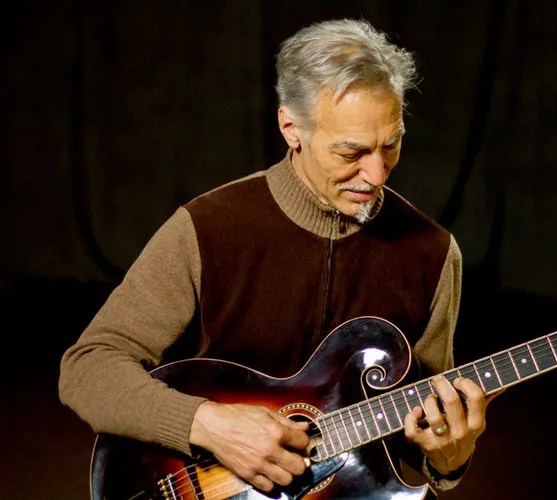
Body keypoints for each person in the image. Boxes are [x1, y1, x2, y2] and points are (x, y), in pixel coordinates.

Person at [59, 17, 489, 498]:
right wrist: (205, 424)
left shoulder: (432, 253)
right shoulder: (207, 228)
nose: (376, 173)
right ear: (291, 127)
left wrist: (449, 457)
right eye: (352, 152)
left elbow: (421, 433)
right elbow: (88, 367)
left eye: (391, 145)